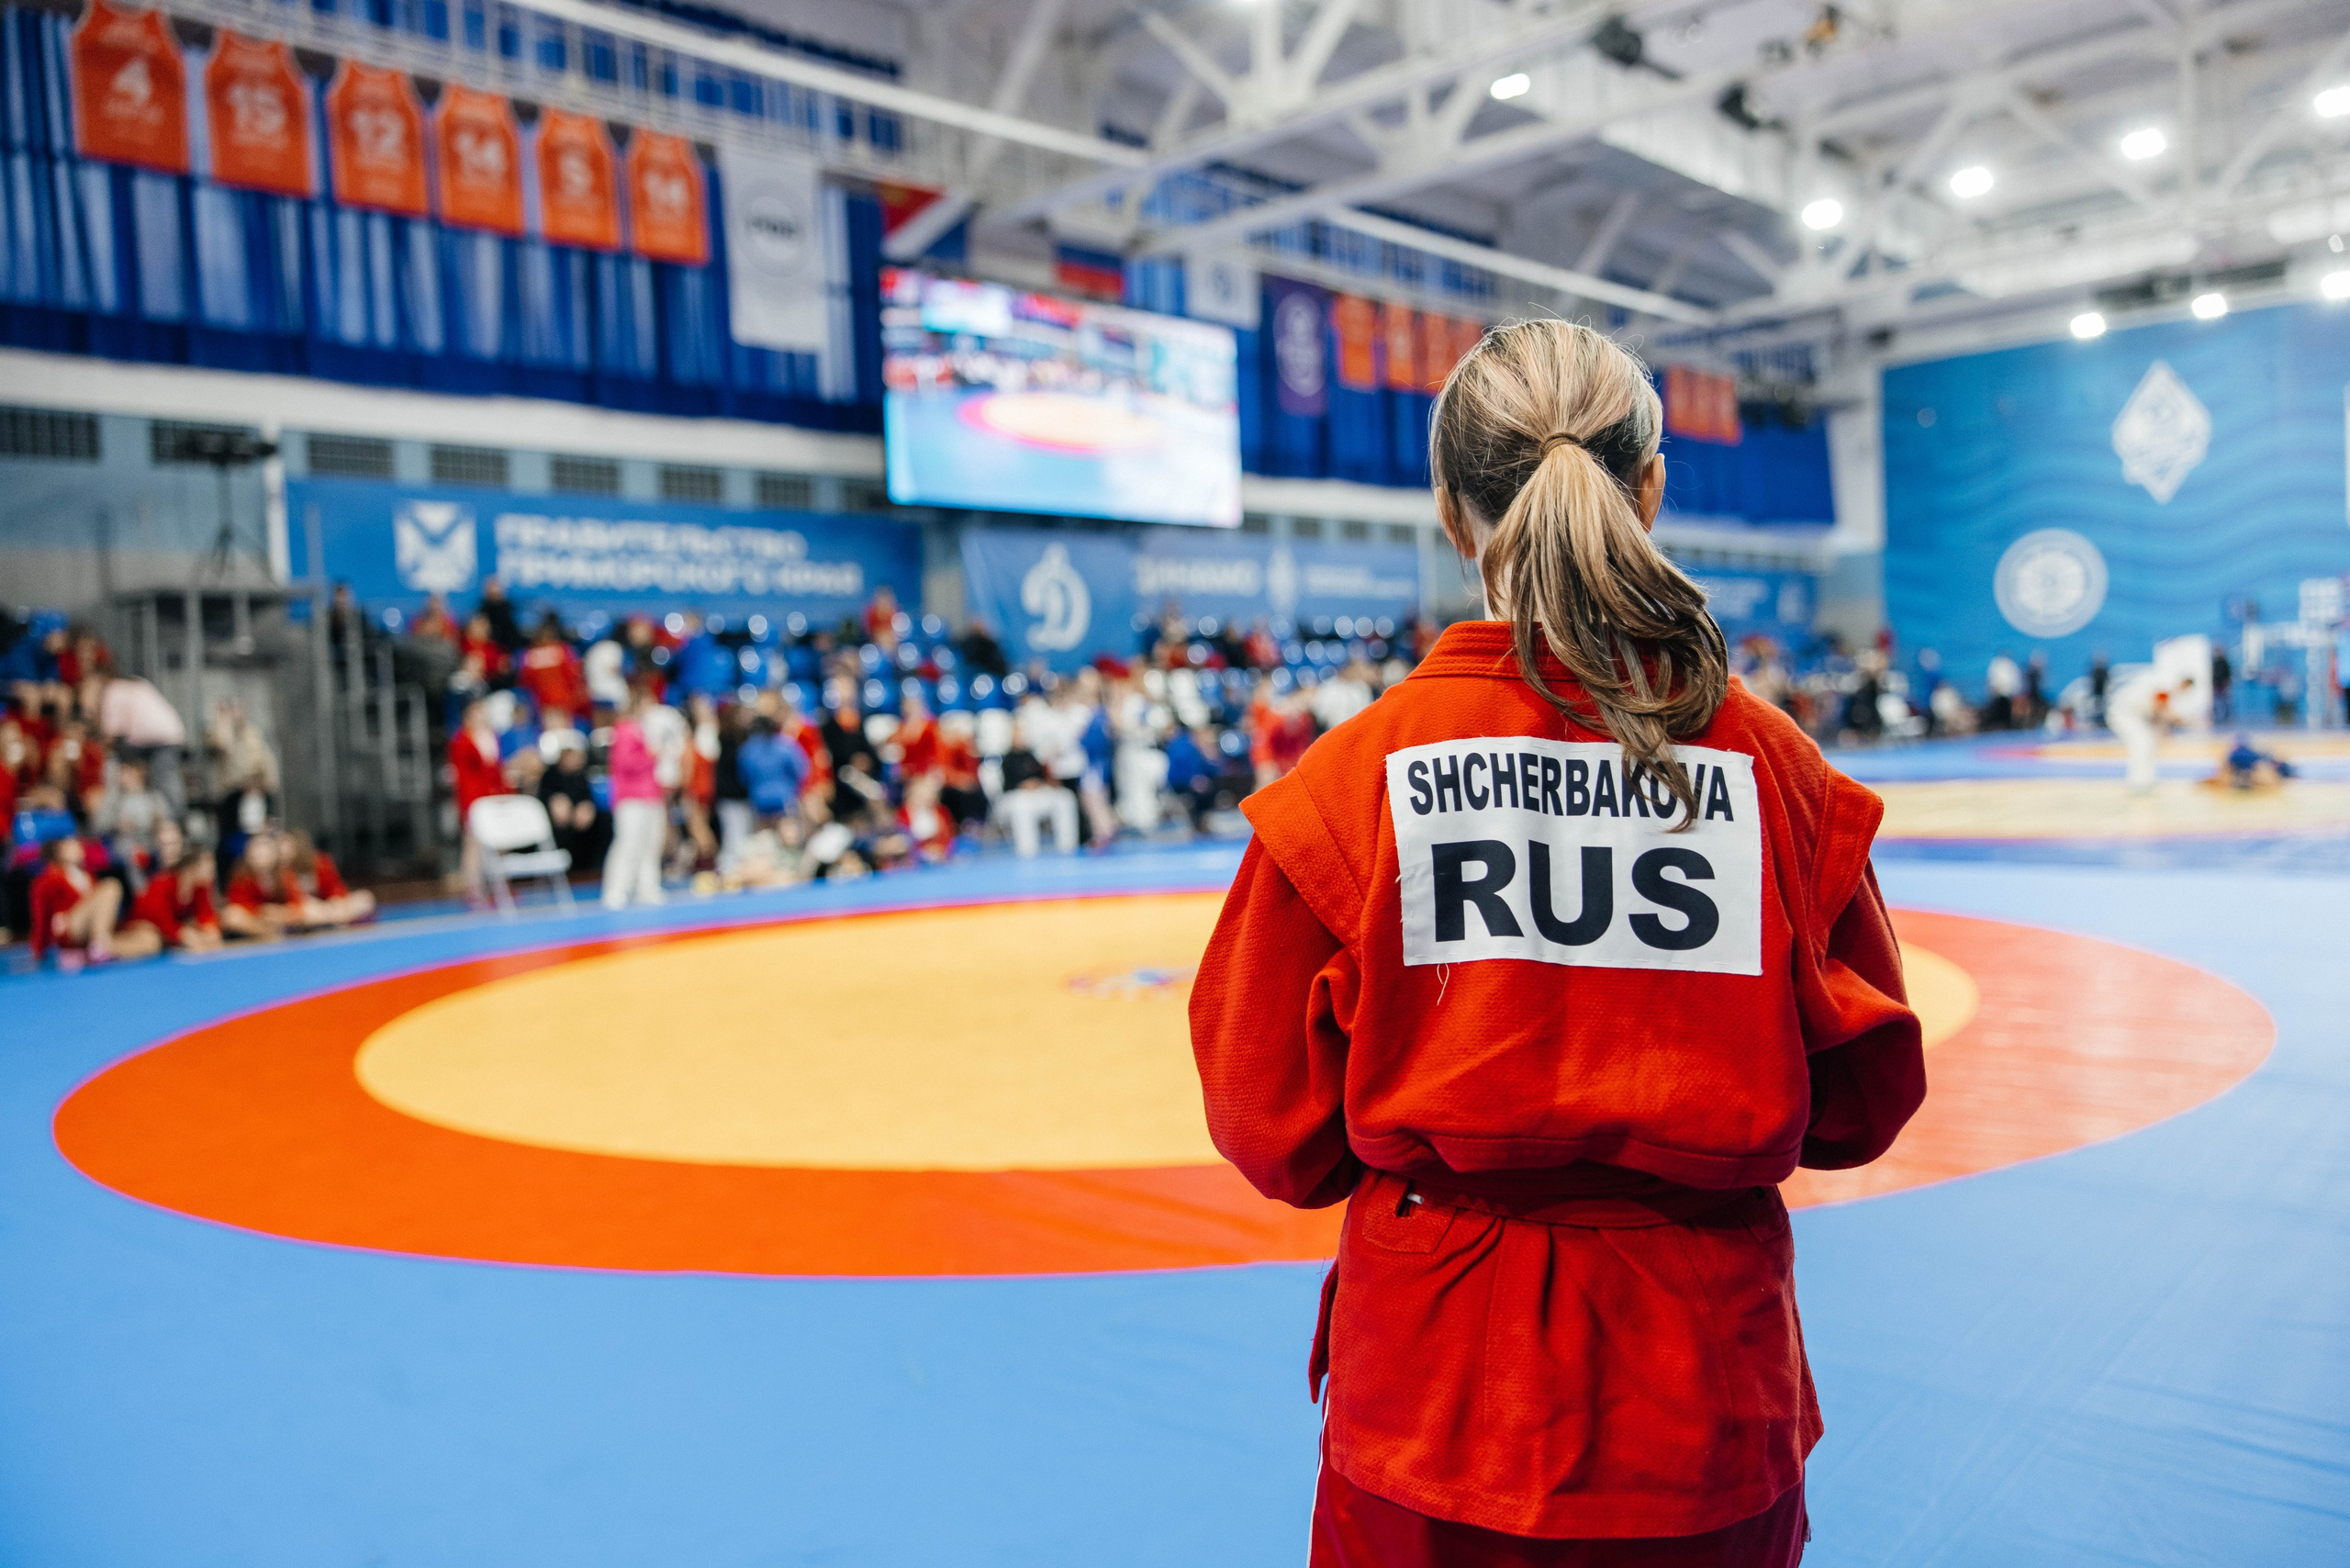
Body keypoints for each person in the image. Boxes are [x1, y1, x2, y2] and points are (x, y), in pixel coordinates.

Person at [1192, 319, 1924, 1568]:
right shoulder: (1774, 769)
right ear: (1648, 489)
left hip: (1435, 1393)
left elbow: (1271, 1121)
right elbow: (1863, 1101)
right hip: (1701, 1390)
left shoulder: (1353, 780)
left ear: (1448, 512)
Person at [30, 834, 158, 965]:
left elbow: (102, 911)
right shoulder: (46, 880)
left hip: (92, 934)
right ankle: (100, 946)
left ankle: (100, 950)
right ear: (59, 852)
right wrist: (38, 952)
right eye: (71, 845)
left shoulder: (88, 875)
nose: (78, 846)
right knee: (111, 886)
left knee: (151, 940)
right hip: (72, 927)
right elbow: (41, 918)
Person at [602, 686, 667, 909]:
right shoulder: (624, 729)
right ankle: (616, 890)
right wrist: (651, 755)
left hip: (651, 795)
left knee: (651, 845)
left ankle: (647, 888)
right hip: (630, 797)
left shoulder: (647, 730)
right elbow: (625, 763)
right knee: (628, 843)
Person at [125, 846, 223, 954]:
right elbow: (161, 920)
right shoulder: (163, 884)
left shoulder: (201, 887)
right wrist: (184, 935)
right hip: (143, 926)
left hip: (171, 931)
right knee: (151, 942)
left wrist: (211, 931)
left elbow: (205, 914)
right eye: (207, 864)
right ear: (189, 868)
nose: (212, 869)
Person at [286, 830, 375, 927]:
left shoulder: (321, 862)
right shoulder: (286, 871)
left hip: (329, 905)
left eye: (289, 846)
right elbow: (294, 900)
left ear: (299, 846)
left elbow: (335, 887)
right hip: (310, 908)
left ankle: (335, 921)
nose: (286, 851)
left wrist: (336, 901)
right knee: (310, 911)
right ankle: (339, 921)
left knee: (365, 897)